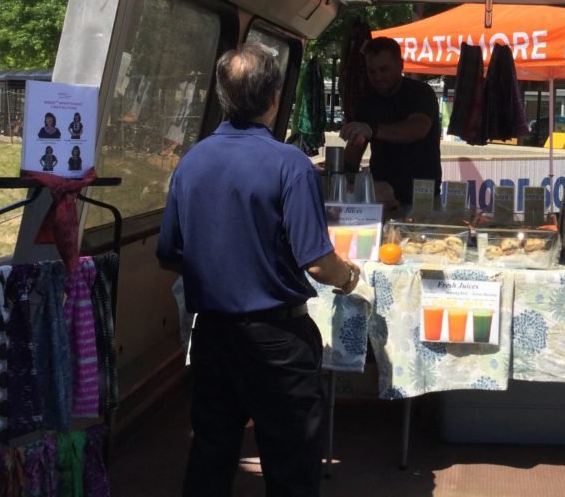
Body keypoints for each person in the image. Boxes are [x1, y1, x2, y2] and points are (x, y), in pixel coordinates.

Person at [156, 42, 361, 497]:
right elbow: (318, 262)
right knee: (291, 465)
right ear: (273, 99)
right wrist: (349, 277)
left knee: (209, 457)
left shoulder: (191, 163)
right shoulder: (289, 164)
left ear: (223, 97)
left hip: (212, 335)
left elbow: (169, 252)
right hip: (278, 343)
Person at [339, 37, 441, 208]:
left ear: (400, 65)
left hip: (422, 198)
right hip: (381, 197)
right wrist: (340, 176)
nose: (378, 77)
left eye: (384, 70)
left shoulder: (421, 93)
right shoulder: (366, 102)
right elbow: (354, 151)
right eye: (372, 72)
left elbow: (417, 128)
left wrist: (371, 130)